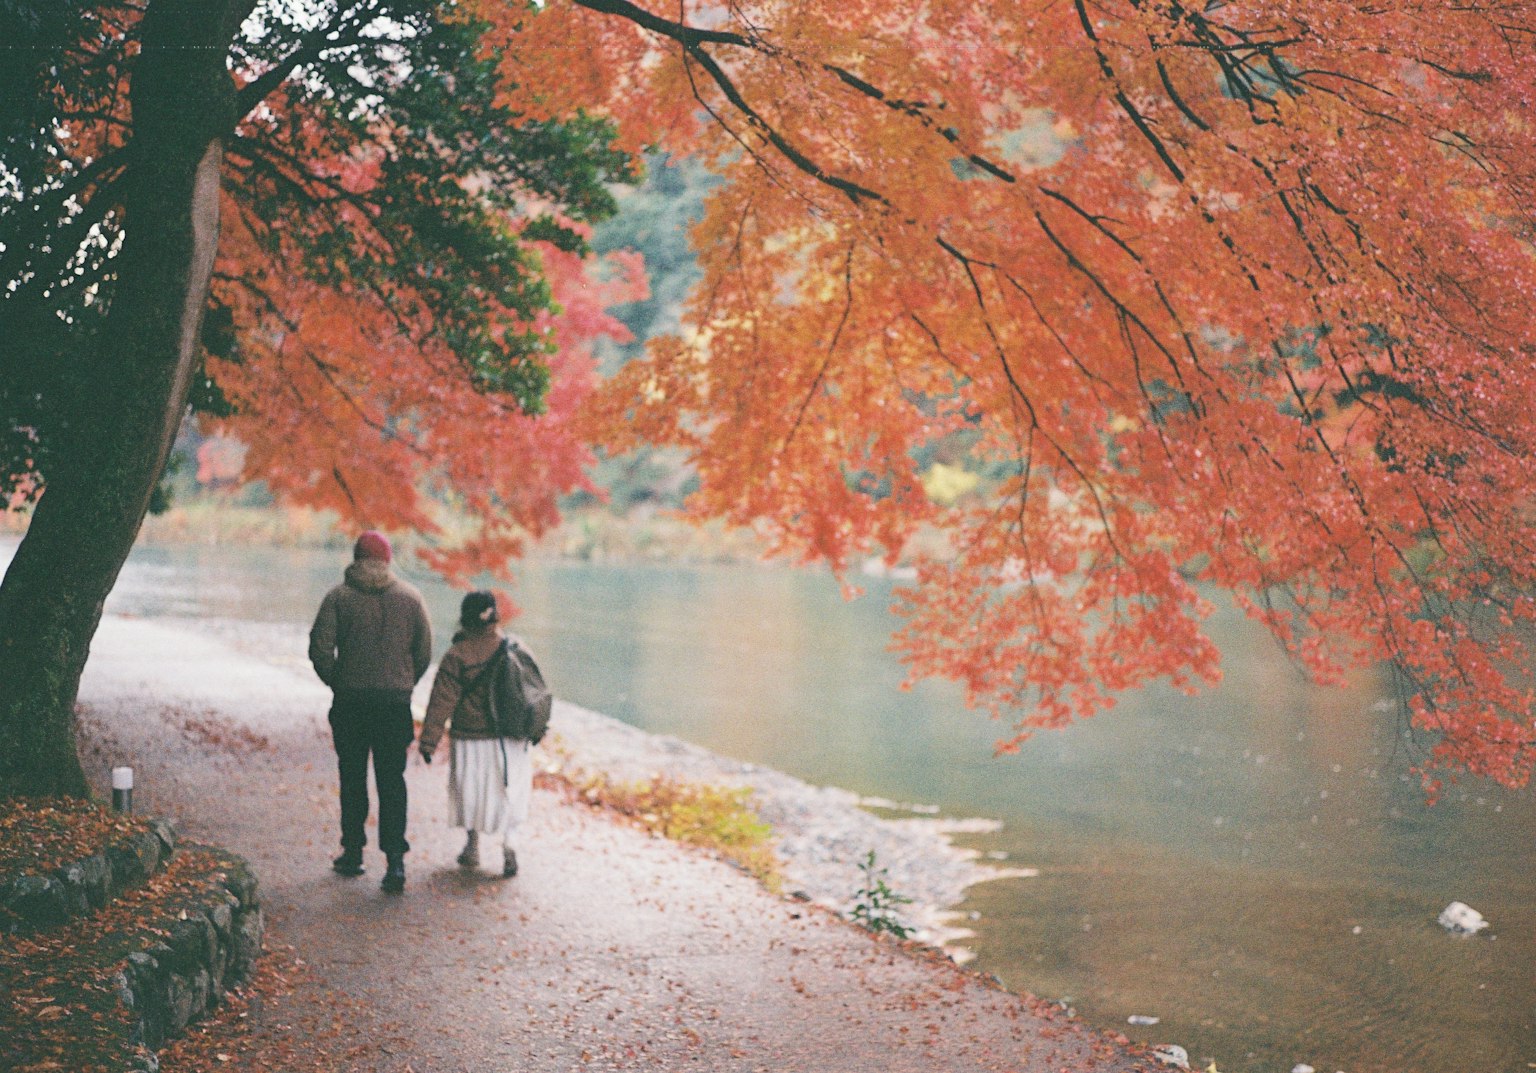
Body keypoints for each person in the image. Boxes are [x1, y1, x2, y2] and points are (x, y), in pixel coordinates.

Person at [309, 530, 432, 893]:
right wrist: (404, 681)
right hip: (394, 705)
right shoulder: (411, 599)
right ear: (388, 560)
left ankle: (353, 853)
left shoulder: (338, 598)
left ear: (355, 558)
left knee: (352, 777)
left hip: (350, 703)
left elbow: (319, 649)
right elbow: (423, 652)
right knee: (392, 782)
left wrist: (337, 680)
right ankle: (395, 863)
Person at [418, 591, 536, 879]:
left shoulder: (458, 654)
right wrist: (536, 728)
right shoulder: (517, 648)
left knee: (471, 790)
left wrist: (429, 740)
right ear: (495, 616)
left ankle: (472, 846)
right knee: (509, 790)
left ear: (465, 619)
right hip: (510, 737)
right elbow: (535, 692)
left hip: (471, 736)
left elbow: (441, 700)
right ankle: (510, 843)